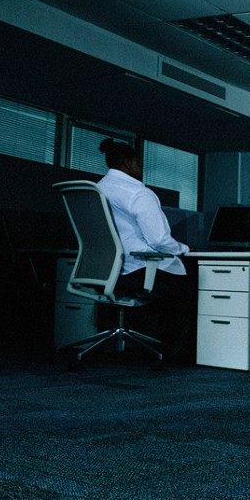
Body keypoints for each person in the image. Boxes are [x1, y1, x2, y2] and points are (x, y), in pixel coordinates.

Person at [96, 138, 193, 362]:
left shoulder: (97, 189)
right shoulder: (138, 193)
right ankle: (174, 354)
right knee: (193, 283)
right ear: (128, 163)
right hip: (136, 270)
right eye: (139, 163)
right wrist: (186, 248)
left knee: (172, 286)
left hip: (105, 271)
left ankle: (145, 346)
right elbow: (159, 240)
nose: (141, 169)